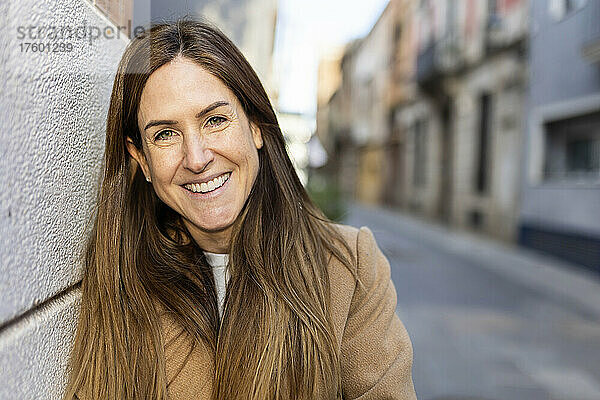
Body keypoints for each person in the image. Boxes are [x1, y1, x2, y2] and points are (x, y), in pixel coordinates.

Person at [64, 19, 417, 400]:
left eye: (215, 120)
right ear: (142, 160)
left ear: (255, 126)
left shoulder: (350, 268)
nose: (196, 158)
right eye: (165, 134)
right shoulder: (120, 273)